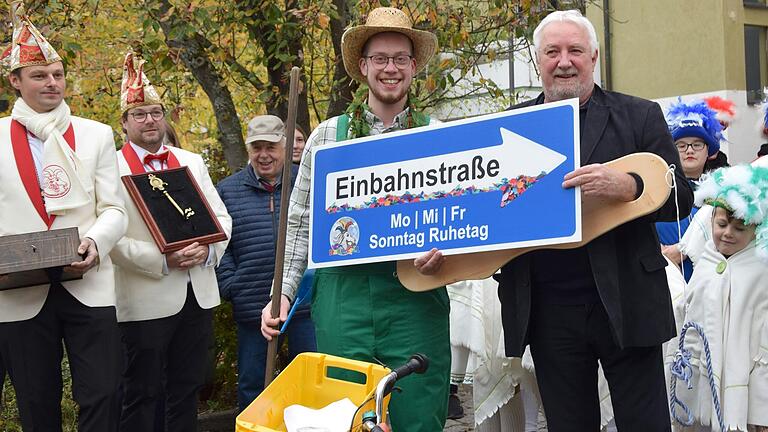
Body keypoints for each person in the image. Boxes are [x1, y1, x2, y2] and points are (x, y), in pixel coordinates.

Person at [495, 10, 692, 431]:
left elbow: (681, 201)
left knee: (646, 424)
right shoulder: (510, 125)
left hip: (628, 301)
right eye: (552, 51)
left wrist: (631, 187)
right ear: (537, 60)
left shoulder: (640, 115)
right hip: (547, 310)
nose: (564, 61)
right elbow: (488, 212)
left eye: (575, 51)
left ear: (594, 57)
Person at [260, 7, 451, 431]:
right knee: (346, 417)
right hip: (343, 301)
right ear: (363, 67)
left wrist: (447, 261)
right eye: (380, 58)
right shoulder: (326, 137)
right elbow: (299, 223)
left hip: (416, 302)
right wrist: (284, 294)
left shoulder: (437, 136)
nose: (390, 68)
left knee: (418, 417)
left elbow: (457, 224)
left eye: (400, 58)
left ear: (413, 67)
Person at [0, 3, 127, 430]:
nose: (52, 82)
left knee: (105, 392)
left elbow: (114, 208)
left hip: (89, 282)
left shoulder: (97, 134)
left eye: (57, 74)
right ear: (15, 81)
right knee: (37, 402)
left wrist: (96, 242)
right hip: (18, 293)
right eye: (39, 75)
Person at [110, 51, 231, 432]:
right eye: (140, 114)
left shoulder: (191, 160)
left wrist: (208, 249)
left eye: (156, 112)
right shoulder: (109, 167)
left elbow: (222, 219)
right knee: (142, 390)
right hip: (144, 297)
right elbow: (111, 238)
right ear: (124, 122)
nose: (150, 121)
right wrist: (164, 261)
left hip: (197, 293)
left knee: (186, 387)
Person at [215, 114, 316, 411]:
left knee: (311, 380)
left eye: (271, 147)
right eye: (257, 147)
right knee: (254, 386)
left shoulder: (306, 182)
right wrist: (233, 286)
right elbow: (221, 247)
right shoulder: (228, 190)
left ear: (284, 147)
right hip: (251, 304)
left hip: (304, 304)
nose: (264, 155)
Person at [673, 164, 768, 432]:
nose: (727, 233)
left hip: (746, 387)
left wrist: (762, 410)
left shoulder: (761, 272)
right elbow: (690, 317)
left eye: (739, 228)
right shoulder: (707, 262)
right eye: (722, 224)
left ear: (756, 230)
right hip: (701, 384)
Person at [656, 99, 723, 281]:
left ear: (709, 151)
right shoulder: (656, 190)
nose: (689, 151)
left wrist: (684, 248)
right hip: (667, 281)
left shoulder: (723, 192)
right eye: (681, 145)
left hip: (708, 282)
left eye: (697, 144)